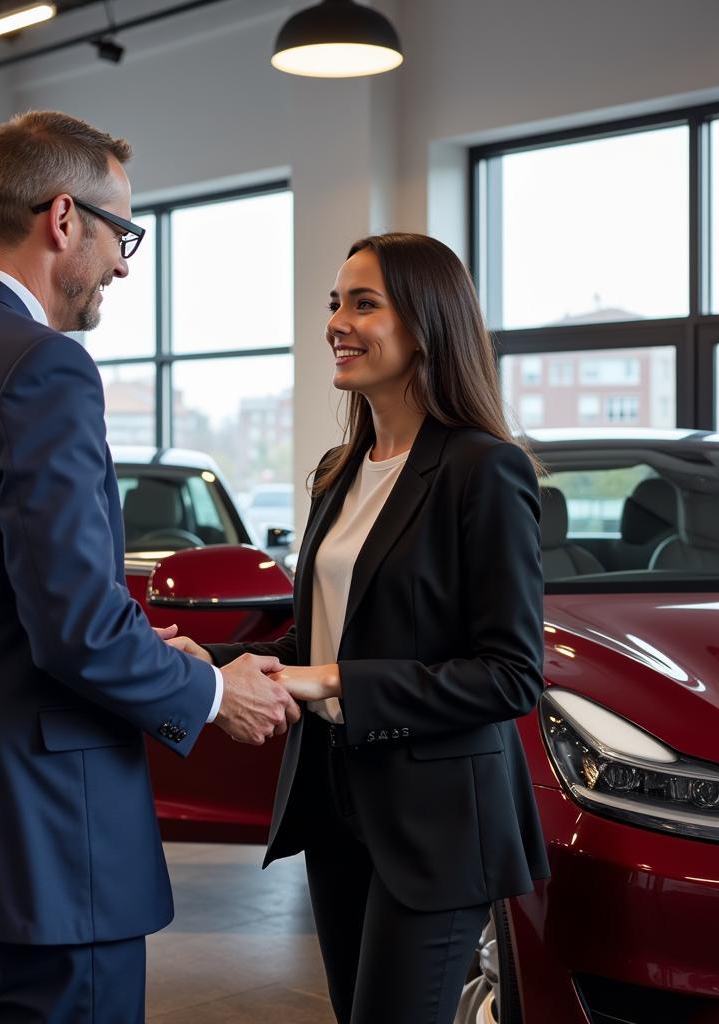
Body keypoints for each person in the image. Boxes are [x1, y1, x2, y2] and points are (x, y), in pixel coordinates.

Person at [0, 110, 298, 1024]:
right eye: (125, 233)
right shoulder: (45, 366)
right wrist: (210, 690)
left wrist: (133, 646)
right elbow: (74, 628)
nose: (124, 263)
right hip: (37, 849)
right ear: (64, 218)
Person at [170, 233, 549, 1024]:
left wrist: (333, 682)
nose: (337, 322)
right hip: (338, 798)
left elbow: (510, 673)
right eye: (334, 304)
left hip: (438, 820)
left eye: (363, 303)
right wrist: (219, 659)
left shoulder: (484, 468)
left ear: (427, 323)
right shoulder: (339, 469)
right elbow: (319, 643)